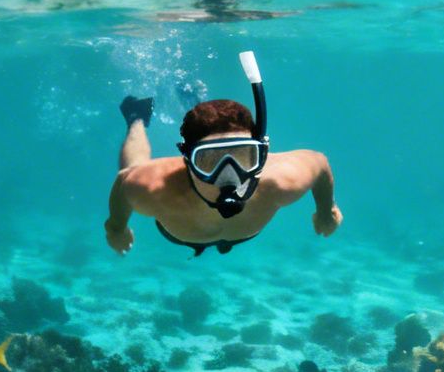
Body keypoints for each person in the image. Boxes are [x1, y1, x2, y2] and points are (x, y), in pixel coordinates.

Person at [103, 52, 339, 256]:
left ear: (261, 155)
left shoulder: (280, 182)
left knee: (213, 131)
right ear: (188, 161)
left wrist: (326, 210)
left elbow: (319, 164)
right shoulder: (153, 187)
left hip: (197, 229)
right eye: (209, 160)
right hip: (179, 233)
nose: (229, 175)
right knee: (136, 166)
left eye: (243, 155)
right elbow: (124, 180)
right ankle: (136, 118)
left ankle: (196, 109)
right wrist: (116, 227)